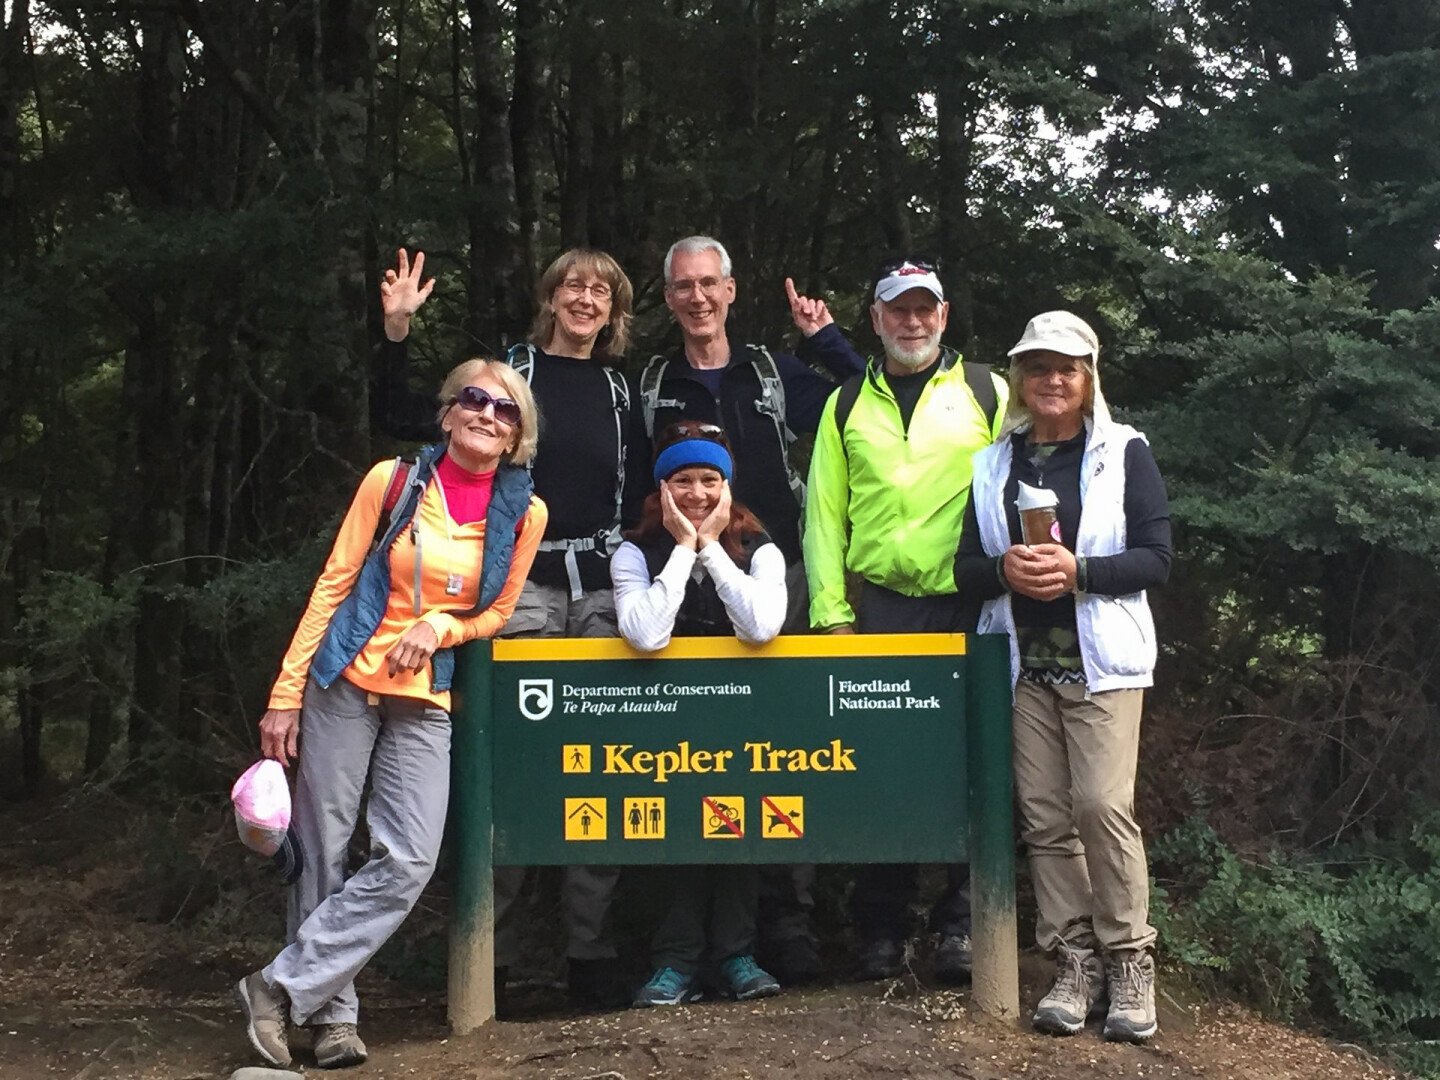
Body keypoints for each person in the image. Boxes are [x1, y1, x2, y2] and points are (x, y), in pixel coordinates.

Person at [236, 359, 546, 1069]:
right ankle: (333, 1018)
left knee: (408, 859)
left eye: (506, 410)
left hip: (424, 695)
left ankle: (277, 988)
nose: (488, 415)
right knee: (322, 849)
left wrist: (441, 627)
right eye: (474, 399)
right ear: (447, 412)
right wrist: (287, 691)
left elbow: (496, 611)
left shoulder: (526, 513)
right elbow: (335, 582)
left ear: (517, 434)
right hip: (343, 679)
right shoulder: (395, 481)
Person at [379, 247, 645, 1009]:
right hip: (516, 587)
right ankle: (483, 956)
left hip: (601, 589)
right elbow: (408, 424)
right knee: (513, 763)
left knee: (602, 763)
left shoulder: (622, 392)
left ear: (615, 308)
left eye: (600, 290)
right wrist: (396, 333)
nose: (585, 299)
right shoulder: (510, 380)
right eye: (572, 286)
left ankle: (589, 955)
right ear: (550, 298)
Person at [639, 235, 866, 981]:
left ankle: (785, 927)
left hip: (776, 575)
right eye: (683, 287)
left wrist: (825, 339)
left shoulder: (773, 374)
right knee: (685, 758)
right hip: (677, 586)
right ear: (668, 297)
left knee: (782, 751)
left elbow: (869, 399)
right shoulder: (650, 382)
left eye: (710, 284)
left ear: (732, 290)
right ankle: (680, 944)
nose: (698, 298)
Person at [954, 310, 1171, 1043]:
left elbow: (1155, 559)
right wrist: (1001, 571)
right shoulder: (993, 462)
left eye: (1067, 368)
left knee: (1102, 810)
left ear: (1088, 378)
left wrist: (1080, 570)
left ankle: (1130, 961)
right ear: (1019, 376)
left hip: (1103, 666)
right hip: (1022, 668)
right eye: (1038, 366)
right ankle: (1074, 962)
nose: (1052, 380)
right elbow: (964, 570)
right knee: (1046, 821)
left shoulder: (1122, 451)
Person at [803, 257, 1007, 984]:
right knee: (881, 764)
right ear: (878, 319)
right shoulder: (845, 403)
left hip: (973, 602)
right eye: (898, 309)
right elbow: (823, 517)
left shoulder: (988, 390)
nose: (913, 322)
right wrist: (832, 615)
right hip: (881, 608)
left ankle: (963, 926)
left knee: (973, 762)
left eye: (926, 309)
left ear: (944, 316)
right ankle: (881, 928)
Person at [612, 422, 787, 1006]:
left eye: (709, 480)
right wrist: (684, 549)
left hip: (741, 715)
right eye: (682, 481)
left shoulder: (762, 548)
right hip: (664, 716)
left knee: (738, 828)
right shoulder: (634, 552)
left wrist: (711, 547)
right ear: (661, 488)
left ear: (728, 486)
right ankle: (674, 963)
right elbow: (643, 634)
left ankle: (737, 956)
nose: (696, 494)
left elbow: (761, 626)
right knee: (672, 834)